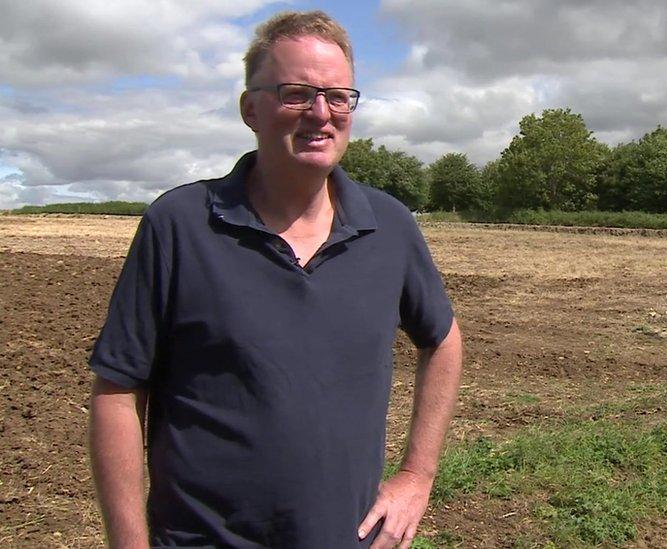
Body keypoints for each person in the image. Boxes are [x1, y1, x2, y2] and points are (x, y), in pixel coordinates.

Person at [87, 10, 462, 549]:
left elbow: (444, 341)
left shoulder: (390, 226)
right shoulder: (180, 225)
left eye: (338, 96)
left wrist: (417, 476)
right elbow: (118, 389)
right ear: (250, 109)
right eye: (295, 93)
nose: (321, 113)